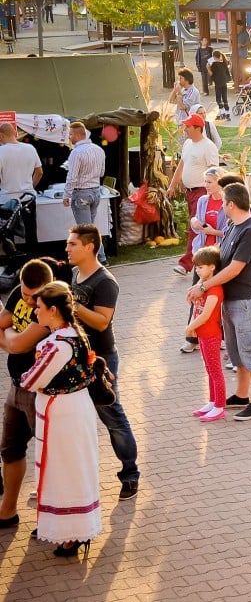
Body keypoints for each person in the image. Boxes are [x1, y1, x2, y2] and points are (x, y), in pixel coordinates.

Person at [20, 281, 103, 558]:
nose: (35, 314)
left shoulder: (57, 345)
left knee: (65, 470)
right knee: (71, 467)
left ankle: (73, 532)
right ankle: (69, 528)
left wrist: (29, 379)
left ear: (53, 310)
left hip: (63, 412)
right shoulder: (73, 334)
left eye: (40, 308)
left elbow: (32, 380)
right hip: (71, 408)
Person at [67, 225, 140, 498]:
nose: (68, 248)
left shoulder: (105, 282)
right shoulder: (76, 274)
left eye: (73, 244)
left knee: (111, 414)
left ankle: (130, 474)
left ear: (89, 246)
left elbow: (101, 321)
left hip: (102, 358)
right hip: (77, 356)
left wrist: (73, 305)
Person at [186, 183, 251, 420]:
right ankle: (242, 395)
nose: (221, 206)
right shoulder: (233, 226)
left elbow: (234, 268)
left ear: (231, 204)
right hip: (229, 300)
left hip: (244, 300)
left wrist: (204, 285)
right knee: (236, 352)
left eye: (223, 202)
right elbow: (221, 258)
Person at [0, 259, 54, 529]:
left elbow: (19, 345)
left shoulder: (50, 307)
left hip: (40, 392)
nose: (29, 301)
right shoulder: (20, 294)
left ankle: (52, 518)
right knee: (10, 450)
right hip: (15, 386)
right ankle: (7, 511)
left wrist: (8, 338)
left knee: (48, 456)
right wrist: (10, 340)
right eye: (24, 294)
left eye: (34, 296)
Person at [180, 167, 229, 353]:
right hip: (202, 255)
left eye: (209, 182)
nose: (206, 186)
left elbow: (229, 231)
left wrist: (213, 232)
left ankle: (223, 337)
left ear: (219, 183)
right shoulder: (202, 200)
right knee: (196, 294)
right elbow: (195, 219)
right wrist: (195, 223)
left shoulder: (226, 203)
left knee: (220, 297)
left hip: (218, 257)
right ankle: (191, 338)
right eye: (205, 182)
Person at [169, 114, 219, 275]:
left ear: (198, 128)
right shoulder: (188, 144)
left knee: (195, 226)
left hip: (202, 192)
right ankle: (204, 260)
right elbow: (181, 166)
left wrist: (211, 190)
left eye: (188, 126)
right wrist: (172, 185)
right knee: (197, 226)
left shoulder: (208, 146)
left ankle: (186, 264)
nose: (185, 129)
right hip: (189, 192)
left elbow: (214, 171)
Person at [186, 246, 226, 422]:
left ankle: (219, 406)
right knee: (209, 369)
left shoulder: (215, 290)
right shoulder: (202, 286)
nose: (197, 270)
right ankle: (212, 401)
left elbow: (206, 314)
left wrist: (189, 328)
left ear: (212, 267)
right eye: (196, 267)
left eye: (201, 267)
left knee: (215, 371)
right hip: (202, 333)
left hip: (211, 334)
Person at [63, 122, 107, 264]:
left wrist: (66, 194)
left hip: (81, 193)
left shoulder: (76, 152)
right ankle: (97, 257)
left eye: (70, 134)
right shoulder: (99, 149)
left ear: (77, 134)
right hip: (95, 191)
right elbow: (101, 172)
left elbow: (72, 177)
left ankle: (100, 258)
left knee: (86, 230)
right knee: (91, 227)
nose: (69, 137)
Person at [0, 122, 42, 203]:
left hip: (7, 200)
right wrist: (30, 188)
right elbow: (39, 172)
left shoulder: (1, 151)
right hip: (28, 198)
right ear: (15, 133)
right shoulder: (31, 148)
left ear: (1, 135)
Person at [208, 51, 232, 121]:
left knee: (218, 99)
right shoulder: (224, 64)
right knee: (225, 98)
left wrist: (208, 68)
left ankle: (222, 112)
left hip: (218, 83)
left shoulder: (214, 64)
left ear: (214, 57)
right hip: (224, 83)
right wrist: (231, 65)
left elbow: (211, 74)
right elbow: (228, 72)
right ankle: (227, 113)